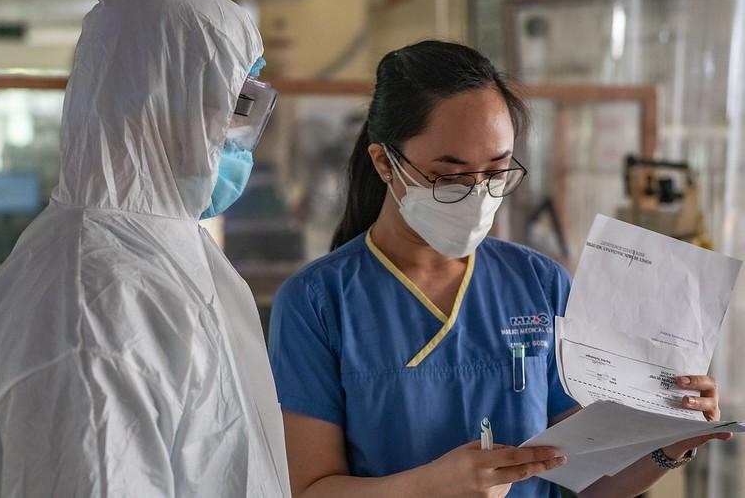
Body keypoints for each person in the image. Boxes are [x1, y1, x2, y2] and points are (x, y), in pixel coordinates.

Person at [268, 40, 730, 498]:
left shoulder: (539, 284)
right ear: (384, 162)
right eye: (449, 174)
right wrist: (430, 487)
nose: (477, 192)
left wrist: (668, 443)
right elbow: (309, 489)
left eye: (496, 169)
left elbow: (587, 479)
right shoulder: (317, 303)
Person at [0, 0, 289, 497]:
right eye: (231, 106)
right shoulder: (90, 295)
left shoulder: (164, 246)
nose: (241, 136)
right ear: (162, 101)